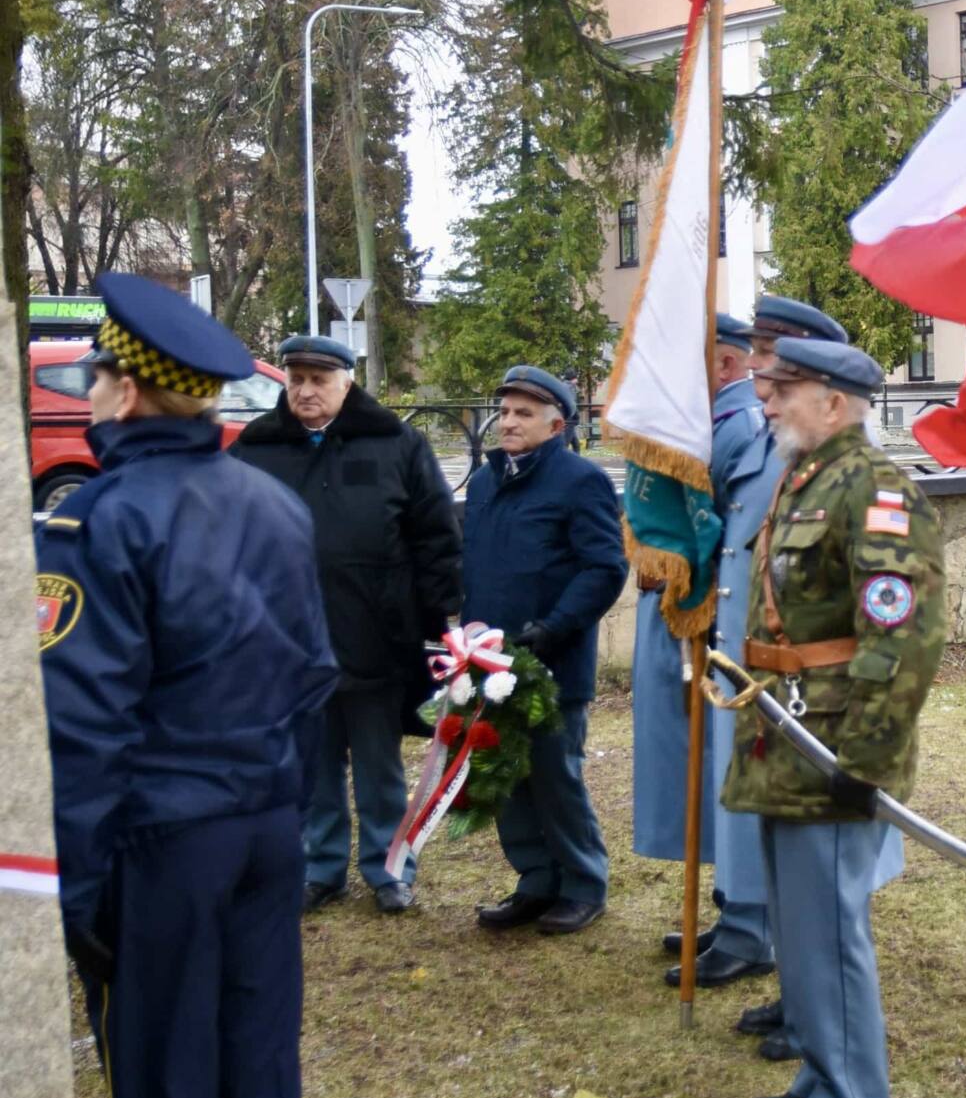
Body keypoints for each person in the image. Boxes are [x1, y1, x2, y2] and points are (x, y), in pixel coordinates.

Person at [36, 274, 336, 1098]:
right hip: (266, 826)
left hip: (160, 842)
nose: (86, 395)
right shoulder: (274, 505)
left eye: (92, 380)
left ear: (124, 392)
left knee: (164, 1092)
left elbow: (81, 728)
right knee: (256, 1076)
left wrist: (73, 894)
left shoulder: (96, 519)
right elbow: (312, 675)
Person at [722, 336, 948, 1098]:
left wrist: (867, 759)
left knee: (830, 925)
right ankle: (824, 1075)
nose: (770, 400)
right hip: (785, 738)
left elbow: (902, 638)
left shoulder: (877, 489)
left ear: (834, 401)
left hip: (832, 749)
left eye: (785, 388)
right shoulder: (808, 478)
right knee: (800, 924)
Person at [634, 300, 859, 997]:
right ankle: (753, 933)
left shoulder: (833, 464)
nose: (758, 369)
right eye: (757, 353)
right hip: (745, 659)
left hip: (794, 676)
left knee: (795, 839)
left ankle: (763, 943)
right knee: (746, 807)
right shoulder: (769, 439)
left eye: (770, 355)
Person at [233, 334, 462, 914]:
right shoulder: (256, 449)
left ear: (346, 382)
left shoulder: (396, 444)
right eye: (296, 379)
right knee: (314, 764)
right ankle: (321, 866)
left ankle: (389, 869)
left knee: (379, 763)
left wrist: (441, 617)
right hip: (290, 639)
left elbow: (435, 534)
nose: (305, 390)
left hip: (378, 632)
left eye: (318, 379)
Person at [466, 365, 627, 935]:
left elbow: (604, 566)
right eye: (505, 411)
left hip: (552, 661)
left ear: (556, 424)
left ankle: (582, 884)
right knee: (506, 773)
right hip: (489, 662)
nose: (508, 422)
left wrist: (556, 626)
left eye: (523, 413)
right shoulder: (485, 481)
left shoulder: (580, 481)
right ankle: (535, 879)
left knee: (556, 776)